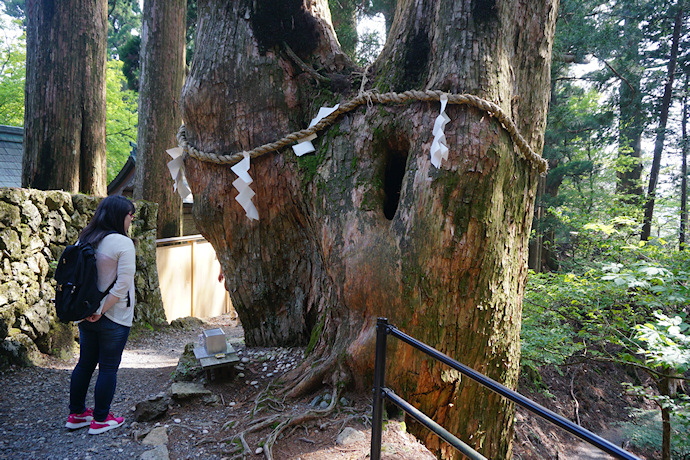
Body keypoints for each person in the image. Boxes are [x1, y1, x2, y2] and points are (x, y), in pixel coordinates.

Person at [64, 195, 136, 435]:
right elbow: (123, 285)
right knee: (108, 367)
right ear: (120, 216)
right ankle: (101, 418)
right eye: (130, 214)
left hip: (84, 312)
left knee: (85, 363)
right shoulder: (123, 243)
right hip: (114, 316)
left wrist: (90, 311)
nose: (132, 218)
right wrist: (101, 310)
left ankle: (76, 414)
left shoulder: (86, 237)